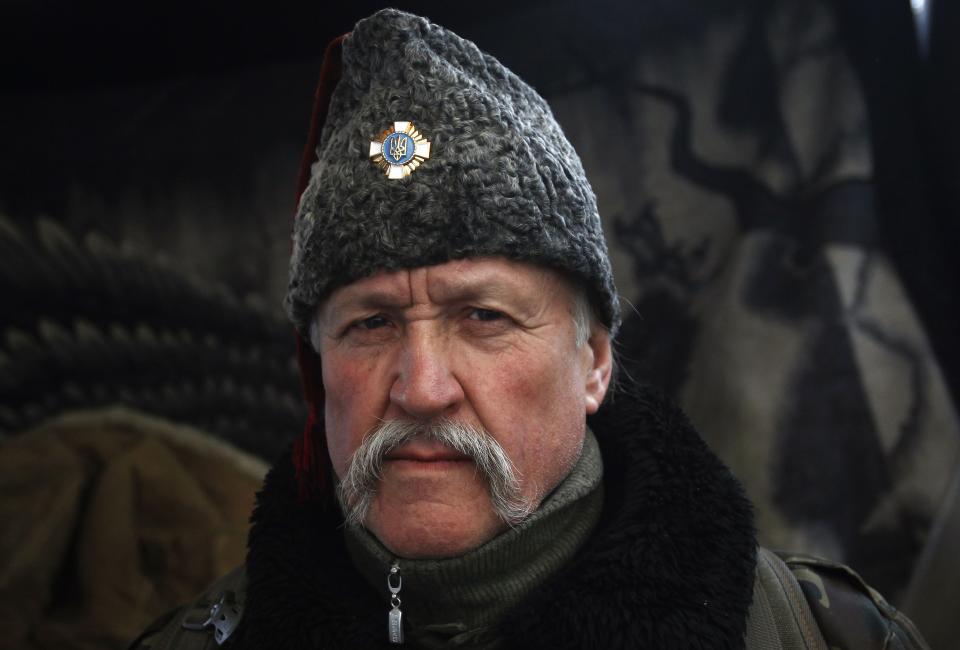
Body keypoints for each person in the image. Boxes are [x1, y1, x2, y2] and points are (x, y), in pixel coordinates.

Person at [131, 9, 929, 649]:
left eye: (482, 317)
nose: (422, 387)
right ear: (318, 363)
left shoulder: (818, 635)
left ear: (594, 363)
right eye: (370, 324)